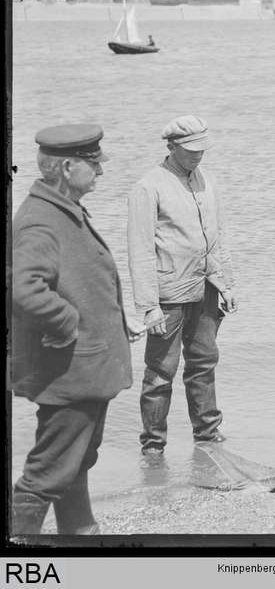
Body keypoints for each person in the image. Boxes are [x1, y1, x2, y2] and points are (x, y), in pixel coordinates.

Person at [10, 124, 140, 535]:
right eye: (93, 163)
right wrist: (66, 324)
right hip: (70, 371)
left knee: (75, 460)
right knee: (45, 475)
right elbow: (24, 288)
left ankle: (82, 533)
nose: (100, 171)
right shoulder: (41, 221)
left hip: (85, 368)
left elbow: (81, 283)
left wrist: (116, 320)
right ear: (67, 168)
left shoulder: (62, 209)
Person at [127, 115, 237, 457]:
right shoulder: (148, 187)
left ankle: (207, 435)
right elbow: (140, 251)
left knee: (204, 362)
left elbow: (217, 237)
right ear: (171, 146)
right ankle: (153, 445)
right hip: (168, 295)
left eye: (202, 149)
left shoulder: (207, 180)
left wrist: (227, 283)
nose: (198, 156)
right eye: (191, 150)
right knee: (160, 372)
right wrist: (148, 307)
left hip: (206, 288)